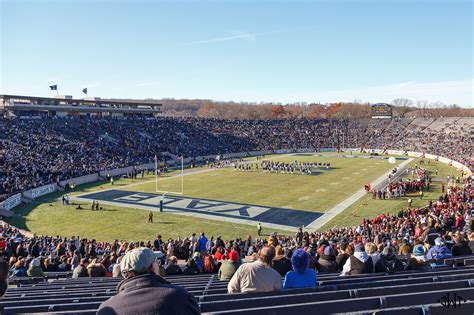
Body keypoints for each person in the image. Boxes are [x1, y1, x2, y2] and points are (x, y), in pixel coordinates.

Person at [97, 247, 200, 315]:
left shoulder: (106, 309)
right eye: (156, 262)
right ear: (152, 268)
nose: (158, 264)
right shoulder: (180, 297)